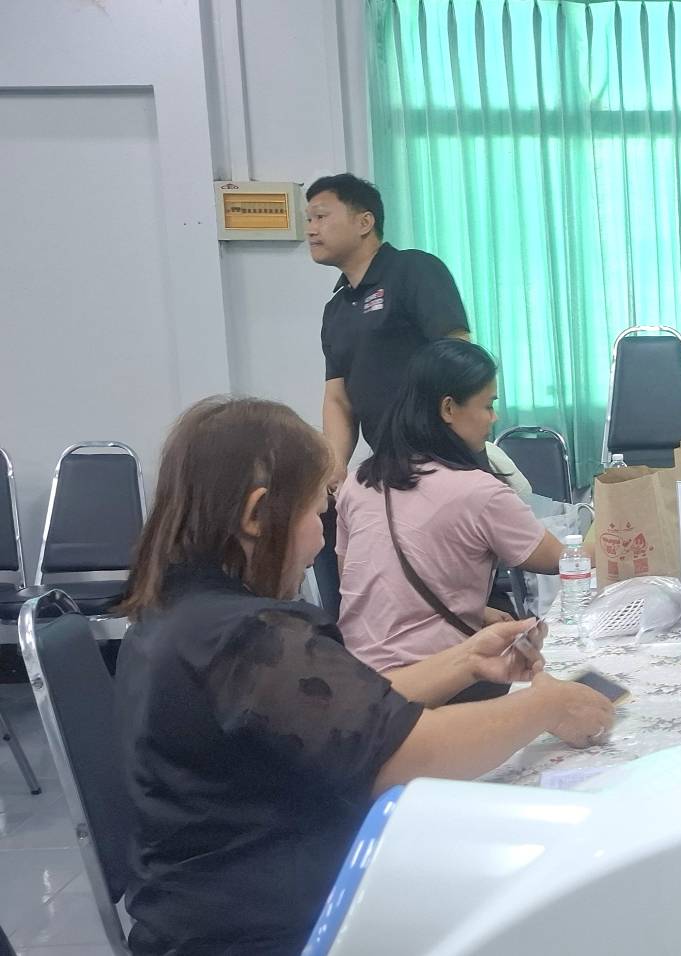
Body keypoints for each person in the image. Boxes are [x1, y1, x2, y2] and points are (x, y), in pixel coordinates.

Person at [115, 397, 615, 955]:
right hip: (264, 933)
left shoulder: (180, 616)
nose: (320, 539)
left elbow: (336, 715)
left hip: (208, 911)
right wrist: (544, 706)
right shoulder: (245, 635)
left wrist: (465, 661)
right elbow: (400, 756)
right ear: (256, 515)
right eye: (314, 515)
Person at [337, 339, 562, 696]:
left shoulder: (358, 482)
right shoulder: (478, 491)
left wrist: (476, 610)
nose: (494, 418)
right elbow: (564, 561)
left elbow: (362, 585)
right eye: (488, 405)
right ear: (448, 409)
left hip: (358, 685)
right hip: (440, 683)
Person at [310, 173, 472, 482]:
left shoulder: (414, 269)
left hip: (443, 461)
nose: (311, 229)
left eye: (321, 216)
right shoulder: (336, 309)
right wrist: (335, 466)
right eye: (308, 220)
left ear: (364, 222)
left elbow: (460, 358)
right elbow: (338, 399)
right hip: (390, 466)